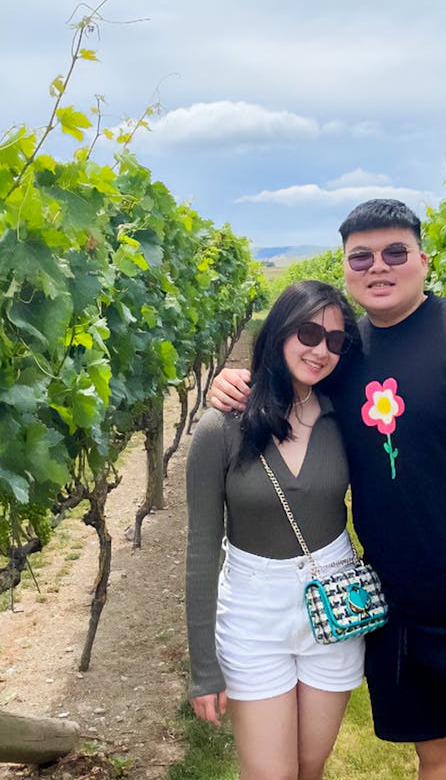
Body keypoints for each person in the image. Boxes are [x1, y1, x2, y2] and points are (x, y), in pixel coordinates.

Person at [209, 199, 446, 780]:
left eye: (395, 252)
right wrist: (233, 384)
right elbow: (288, 383)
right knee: (438, 758)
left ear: (423, 260)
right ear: (348, 271)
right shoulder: (344, 355)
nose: (379, 266)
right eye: (362, 256)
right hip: (396, 613)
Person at [185, 279, 365, 780]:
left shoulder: (343, 417)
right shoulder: (220, 428)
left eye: (335, 340)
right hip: (252, 612)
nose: (321, 349)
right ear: (280, 331)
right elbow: (201, 550)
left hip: (335, 601)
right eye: (309, 332)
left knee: (309, 767)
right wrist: (203, 668)